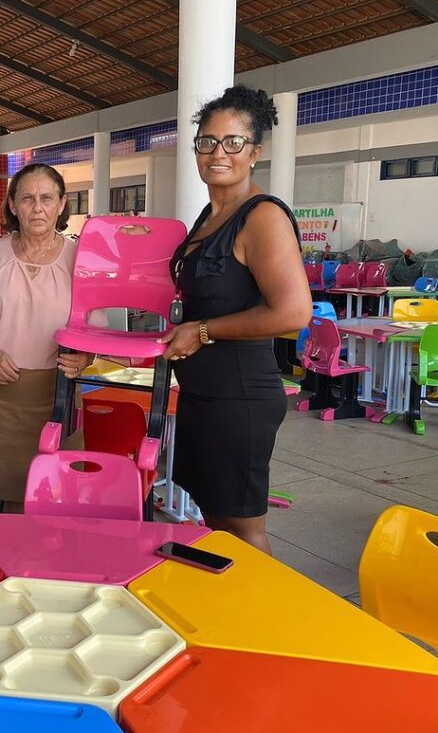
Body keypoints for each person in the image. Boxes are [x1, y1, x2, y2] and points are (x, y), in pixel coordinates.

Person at [158, 85, 311, 554]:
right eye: (207, 142)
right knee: (214, 517)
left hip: (239, 397)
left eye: (233, 142)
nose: (217, 153)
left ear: (255, 152)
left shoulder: (261, 217)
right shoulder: (210, 216)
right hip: (204, 393)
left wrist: (202, 332)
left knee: (243, 532)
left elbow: (293, 312)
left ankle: (269, 622)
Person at [0, 163, 97, 513]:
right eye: (27, 198)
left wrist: (85, 358)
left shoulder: (80, 259)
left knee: (59, 496)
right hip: (2, 391)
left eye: (47, 198)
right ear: (13, 205)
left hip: (58, 392)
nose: (37, 207)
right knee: (13, 497)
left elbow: (96, 328)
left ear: (62, 204)